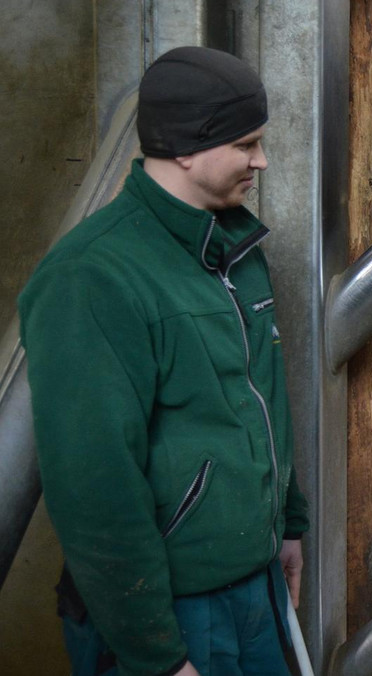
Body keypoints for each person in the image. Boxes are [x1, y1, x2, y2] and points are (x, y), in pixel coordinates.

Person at [19, 46, 309, 676]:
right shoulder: (91, 278)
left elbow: (260, 400)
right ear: (184, 146)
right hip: (171, 614)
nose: (261, 160)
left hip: (253, 588)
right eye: (246, 144)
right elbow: (94, 487)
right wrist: (156, 656)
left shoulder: (234, 247)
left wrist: (288, 525)